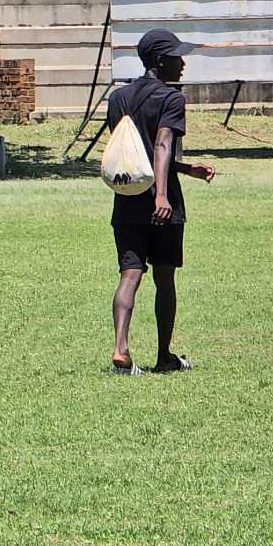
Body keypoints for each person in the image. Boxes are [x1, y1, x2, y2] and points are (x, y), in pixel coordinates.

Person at [107, 28, 214, 375]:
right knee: (164, 277)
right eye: (176, 57)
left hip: (127, 198)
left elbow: (131, 154)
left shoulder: (118, 98)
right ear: (159, 61)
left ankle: (121, 348)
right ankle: (164, 356)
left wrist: (187, 168)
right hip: (162, 206)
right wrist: (164, 194)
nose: (182, 63)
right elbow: (161, 145)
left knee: (130, 274)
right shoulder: (171, 98)